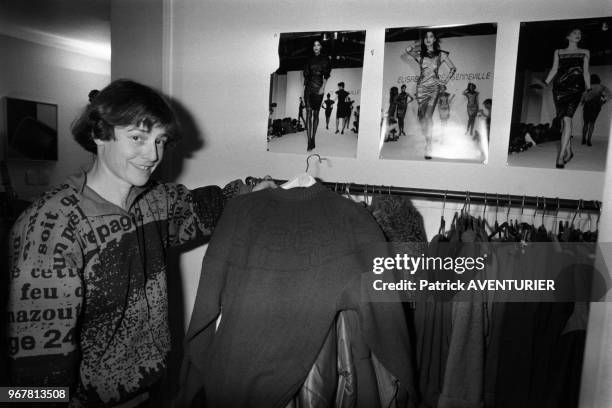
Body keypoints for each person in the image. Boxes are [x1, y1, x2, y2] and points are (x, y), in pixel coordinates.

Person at [5, 79, 274, 407]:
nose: (153, 155)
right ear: (99, 134)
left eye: (160, 141)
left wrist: (252, 190)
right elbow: (36, 373)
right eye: (138, 138)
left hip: (152, 391)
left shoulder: (155, 200)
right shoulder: (49, 227)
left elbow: (207, 205)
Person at [404, 30, 457, 159]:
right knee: (422, 117)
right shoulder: (420, 55)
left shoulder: (441, 55)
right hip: (421, 88)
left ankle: (429, 146)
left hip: (434, 88)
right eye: (426, 37)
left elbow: (453, 68)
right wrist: (418, 44)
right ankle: (428, 136)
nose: (428, 39)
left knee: (428, 117)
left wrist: (444, 81)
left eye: (431, 36)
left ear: (435, 39)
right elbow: (407, 50)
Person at [544, 27, 590, 168]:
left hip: (576, 90)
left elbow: (586, 72)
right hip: (559, 89)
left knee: (567, 119)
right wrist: (545, 83)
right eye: (575, 33)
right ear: (568, 36)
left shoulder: (585, 52)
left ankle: (561, 156)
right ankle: (569, 151)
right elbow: (554, 69)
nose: (578, 35)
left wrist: (588, 89)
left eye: (580, 34)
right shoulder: (558, 52)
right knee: (564, 121)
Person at [303, 39, 331, 151]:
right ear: (312, 47)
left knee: (316, 113)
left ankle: (313, 138)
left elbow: (326, 75)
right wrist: (303, 90)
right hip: (308, 88)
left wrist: (323, 88)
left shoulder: (325, 59)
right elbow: (305, 76)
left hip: (319, 87)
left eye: (318, 45)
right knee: (308, 113)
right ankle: (309, 140)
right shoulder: (308, 59)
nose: (316, 46)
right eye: (314, 45)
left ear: (321, 47)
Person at [581, 74, 610, 146]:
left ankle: (583, 139)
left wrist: (583, 101)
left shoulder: (588, 86)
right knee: (592, 124)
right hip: (596, 107)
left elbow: (583, 97)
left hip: (587, 107)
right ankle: (589, 140)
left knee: (585, 124)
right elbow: (609, 95)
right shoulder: (602, 87)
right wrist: (603, 102)